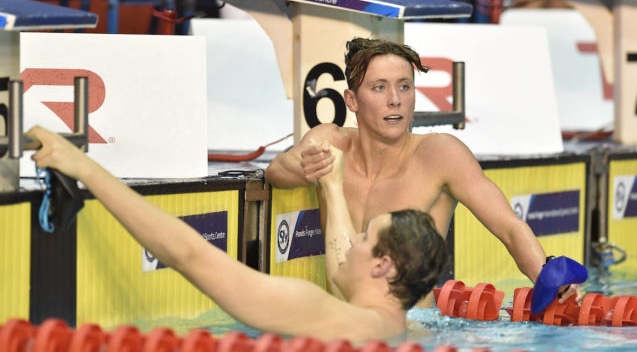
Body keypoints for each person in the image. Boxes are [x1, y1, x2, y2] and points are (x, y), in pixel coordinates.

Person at [26, 125, 448, 343]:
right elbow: (343, 266)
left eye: (365, 236)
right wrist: (331, 187)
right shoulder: (406, 330)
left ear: (382, 265)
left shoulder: (318, 311)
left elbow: (188, 254)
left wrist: (85, 169)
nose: (351, 240)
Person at [264, 37, 582, 306]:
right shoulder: (330, 144)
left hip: (411, 331)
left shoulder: (440, 155)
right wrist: (306, 167)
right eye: (379, 88)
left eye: (405, 87)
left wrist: (547, 276)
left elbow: (509, 227)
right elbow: (277, 171)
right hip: (343, 329)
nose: (395, 101)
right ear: (352, 100)